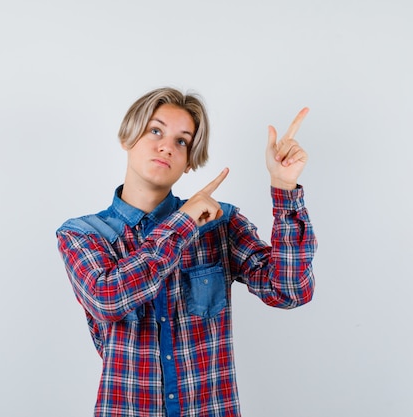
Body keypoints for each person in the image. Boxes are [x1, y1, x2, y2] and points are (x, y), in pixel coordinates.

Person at [56, 87, 317, 417]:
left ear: (190, 161)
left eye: (182, 141)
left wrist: (284, 189)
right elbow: (107, 298)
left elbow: (290, 291)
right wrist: (182, 223)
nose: (167, 146)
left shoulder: (219, 223)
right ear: (127, 137)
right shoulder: (83, 234)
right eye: (155, 130)